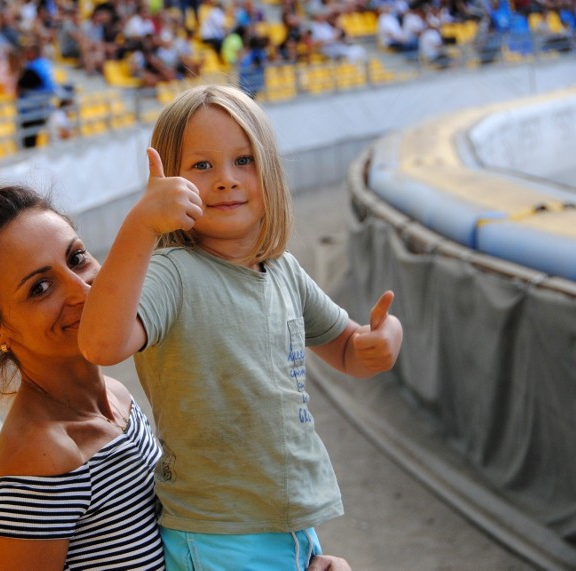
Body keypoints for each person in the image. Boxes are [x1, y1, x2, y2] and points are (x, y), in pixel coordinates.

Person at [78, 84, 403, 570]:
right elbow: (101, 342)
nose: (226, 180)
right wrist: (140, 226)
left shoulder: (283, 270)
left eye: (244, 160)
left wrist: (380, 341)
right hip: (217, 536)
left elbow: (347, 348)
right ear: (168, 179)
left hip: (288, 526)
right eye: (202, 166)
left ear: (271, 169)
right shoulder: (173, 272)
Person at [0, 158, 164, 570]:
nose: (82, 290)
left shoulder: (118, 398)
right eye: (40, 287)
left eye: (77, 257)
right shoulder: (43, 459)